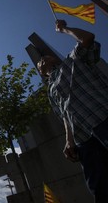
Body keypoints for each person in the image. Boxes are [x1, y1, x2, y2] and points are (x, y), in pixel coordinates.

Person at [37, 19, 108, 202]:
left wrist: (64, 30)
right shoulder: (51, 91)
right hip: (83, 138)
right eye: (39, 64)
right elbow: (64, 116)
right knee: (100, 187)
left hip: (102, 117)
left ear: (53, 58)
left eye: (44, 57)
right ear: (42, 73)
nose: (41, 60)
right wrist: (69, 141)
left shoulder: (74, 59)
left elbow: (88, 38)